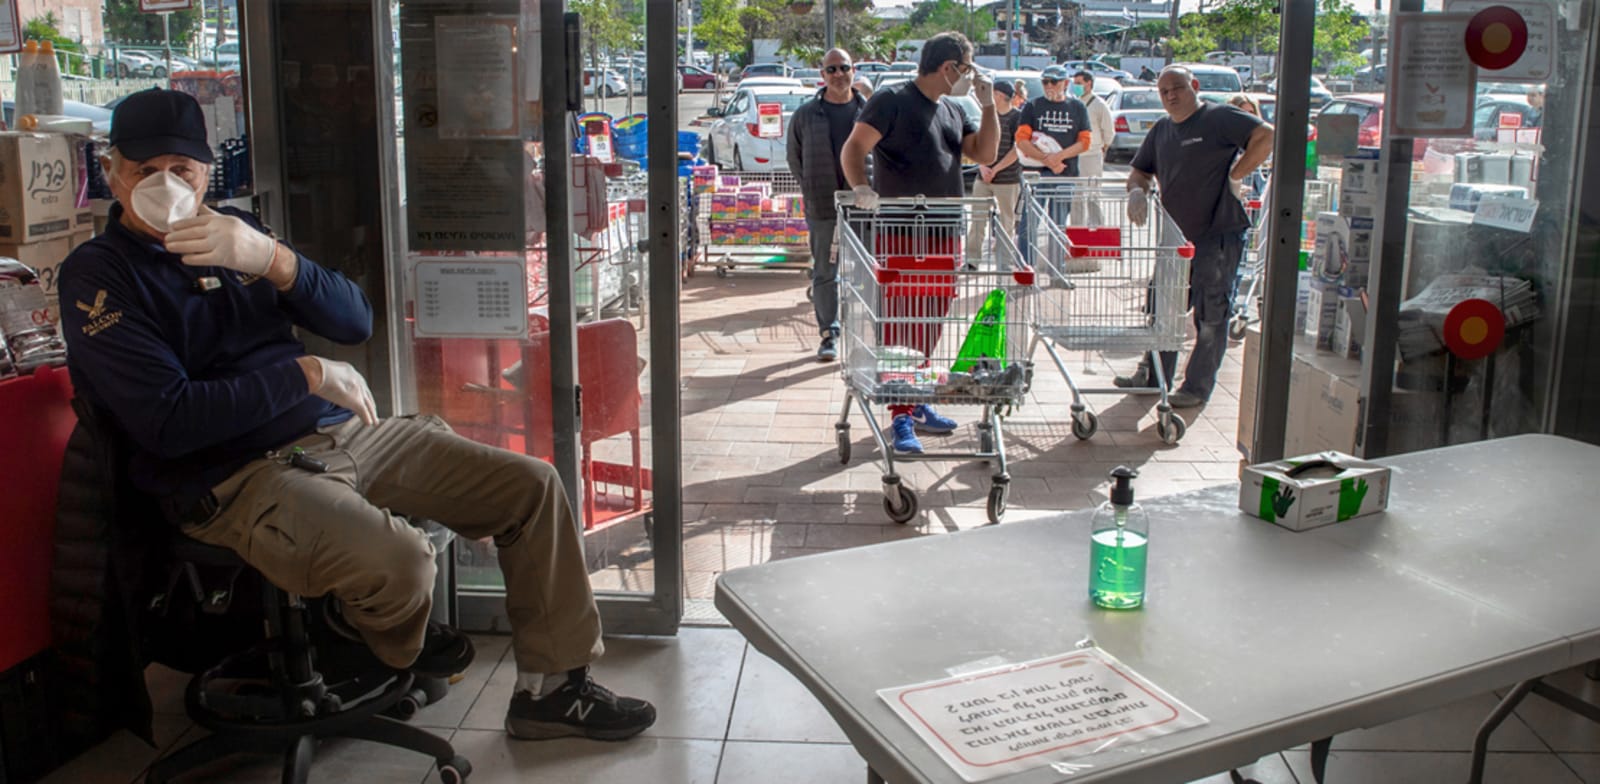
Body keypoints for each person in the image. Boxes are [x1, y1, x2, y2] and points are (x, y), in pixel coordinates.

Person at [57, 89, 657, 742]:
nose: (166, 186)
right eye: (146, 171)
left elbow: (352, 319)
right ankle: (359, 637)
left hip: (338, 436)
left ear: (207, 174)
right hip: (236, 476)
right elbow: (167, 421)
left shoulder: (234, 234)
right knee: (400, 564)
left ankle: (553, 691)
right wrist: (305, 374)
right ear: (112, 172)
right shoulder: (100, 277)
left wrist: (272, 260)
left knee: (530, 487)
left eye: (184, 171)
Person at [841, 31, 1000, 454]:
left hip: (945, 234)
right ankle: (899, 414)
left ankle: (916, 399)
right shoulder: (891, 100)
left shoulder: (952, 108)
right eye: (967, 68)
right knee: (899, 324)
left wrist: (988, 106)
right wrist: (861, 187)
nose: (970, 76)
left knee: (929, 322)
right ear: (949, 68)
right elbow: (854, 148)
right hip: (900, 234)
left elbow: (984, 153)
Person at [1116, 67, 1274, 408]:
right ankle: (1154, 375)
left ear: (1194, 87)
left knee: (1211, 315)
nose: (1171, 95)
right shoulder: (1161, 130)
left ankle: (1196, 387)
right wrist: (1137, 192)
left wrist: (1236, 174)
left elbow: (1265, 135)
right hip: (1175, 239)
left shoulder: (1218, 117)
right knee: (1163, 311)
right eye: (1164, 91)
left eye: (1177, 88)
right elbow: (1140, 171)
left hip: (1218, 235)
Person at [788, 48, 868, 362]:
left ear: (854, 70)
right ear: (822, 75)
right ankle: (828, 334)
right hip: (822, 204)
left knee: (866, 270)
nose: (838, 74)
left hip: (863, 204)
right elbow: (795, 158)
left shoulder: (869, 111)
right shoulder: (806, 114)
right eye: (831, 69)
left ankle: (863, 333)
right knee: (824, 272)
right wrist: (811, 186)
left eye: (843, 68)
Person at [1015, 63, 1092, 254]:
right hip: (1036, 176)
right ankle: (1027, 271)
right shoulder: (1032, 106)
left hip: (1065, 176)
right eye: (1045, 82)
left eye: (1054, 82)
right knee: (1028, 225)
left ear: (1065, 83)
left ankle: (1057, 272)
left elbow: (1084, 142)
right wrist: (1046, 159)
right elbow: (1021, 140)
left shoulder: (1077, 107)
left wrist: (1059, 157)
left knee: (1058, 227)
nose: (1049, 86)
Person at [968, 79, 1023, 266]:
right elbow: (976, 142)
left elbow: (1017, 149)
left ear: (999, 96)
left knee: (1007, 222)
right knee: (977, 220)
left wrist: (996, 169)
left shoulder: (1017, 117)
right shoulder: (986, 116)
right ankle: (972, 261)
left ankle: (1005, 263)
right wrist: (982, 166)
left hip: (1007, 179)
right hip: (982, 177)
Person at [1069, 69, 1114, 226]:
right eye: (1075, 84)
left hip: (1092, 155)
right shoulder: (1072, 103)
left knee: (1093, 195)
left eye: (1079, 84)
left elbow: (1109, 131)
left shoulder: (1099, 105)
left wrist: (1102, 148)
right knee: (1076, 197)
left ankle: (1097, 228)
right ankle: (1077, 230)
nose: (1076, 87)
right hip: (1075, 155)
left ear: (1089, 83)